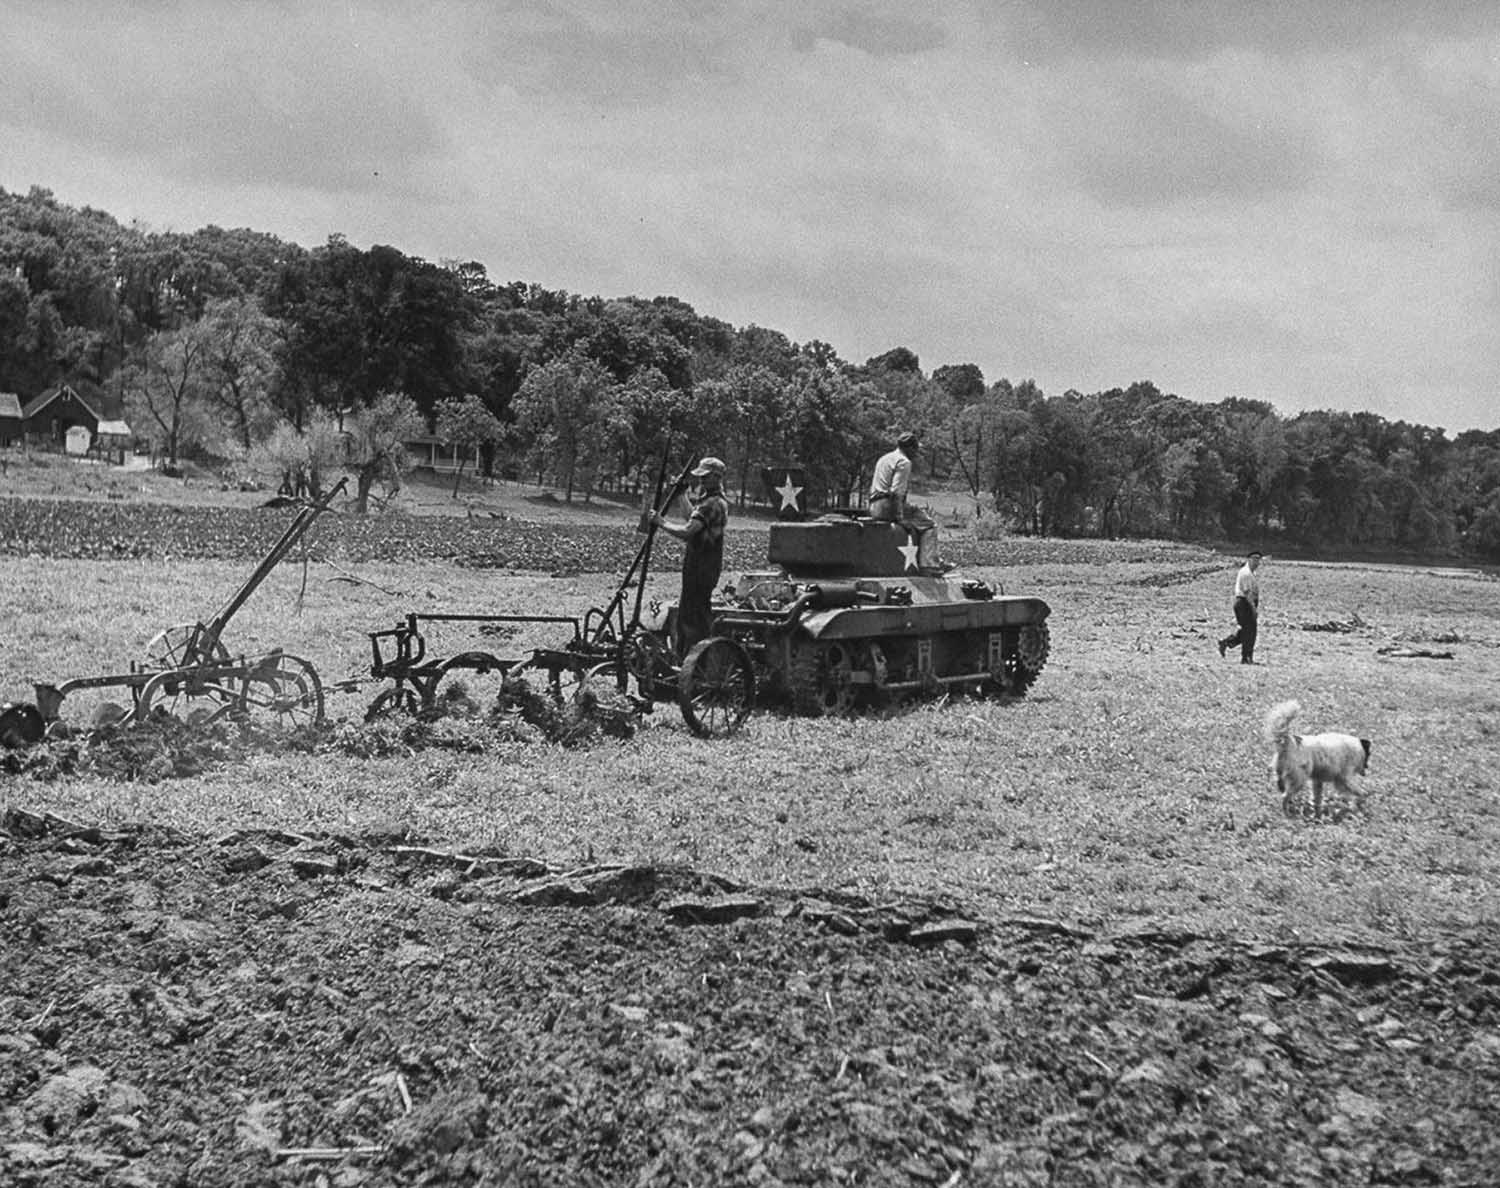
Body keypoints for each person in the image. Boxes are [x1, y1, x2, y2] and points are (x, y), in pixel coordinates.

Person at [651, 455, 730, 659]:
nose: (701, 480)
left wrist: (661, 522)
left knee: (694, 617)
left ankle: (696, 659)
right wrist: (681, 494)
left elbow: (687, 531)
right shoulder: (709, 500)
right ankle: (689, 657)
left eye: (706, 476)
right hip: (698, 564)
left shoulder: (713, 503)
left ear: (717, 477)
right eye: (700, 476)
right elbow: (691, 516)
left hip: (704, 565)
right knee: (688, 613)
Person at [869, 431, 945, 574]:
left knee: (916, 514)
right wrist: (900, 518)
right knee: (929, 524)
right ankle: (929, 565)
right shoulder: (904, 462)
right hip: (887, 506)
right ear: (909, 448)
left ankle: (935, 560)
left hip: (874, 506)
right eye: (915, 449)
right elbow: (896, 493)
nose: (916, 453)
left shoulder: (885, 458)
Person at [1217, 550, 1263, 664]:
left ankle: (1227, 642)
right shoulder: (1246, 573)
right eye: (1254, 559)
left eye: (1258, 559)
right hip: (1244, 603)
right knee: (1250, 632)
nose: (1257, 562)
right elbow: (1247, 593)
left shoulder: (1252, 573)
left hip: (1246, 603)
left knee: (1247, 630)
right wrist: (1253, 608)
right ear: (1249, 559)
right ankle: (1246, 658)